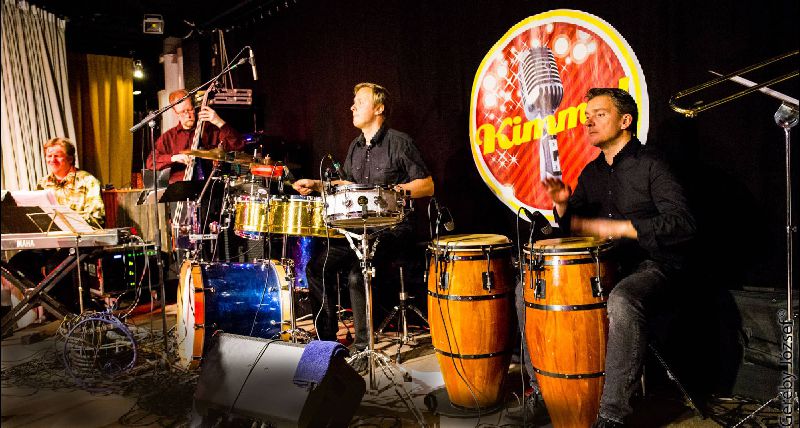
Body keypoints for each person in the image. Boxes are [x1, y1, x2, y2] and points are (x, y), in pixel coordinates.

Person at [541, 88, 696, 427]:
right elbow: (572, 227)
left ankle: (612, 415)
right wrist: (563, 206)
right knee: (531, 294)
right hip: (607, 267)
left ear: (625, 121)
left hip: (654, 265)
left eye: (599, 114)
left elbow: (683, 224)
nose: (588, 122)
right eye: (587, 117)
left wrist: (626, 228)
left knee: (622, 299)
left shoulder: (653, 164)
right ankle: (545, 393)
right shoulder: (590, 173)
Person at [293, 82, 434, 360]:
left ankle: (362, 350)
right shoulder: (355, 147)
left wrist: (390, 192)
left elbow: (427, 185)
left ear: (378, 108)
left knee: (358, 274)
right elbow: (348, 184)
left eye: (359, 102)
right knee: (317, 267)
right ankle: (326, 344)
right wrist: (317, 184)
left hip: (394, 228)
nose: (352, 107)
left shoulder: (399, 142)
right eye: (353, 102)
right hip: (359, 229)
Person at [3, 138, 106, 322]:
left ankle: (68, 314)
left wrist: (70, 219)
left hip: (78, 242)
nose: (52, 160)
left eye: (57, 156)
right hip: (50, 243)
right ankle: (50, 303)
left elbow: (97, 218)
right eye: (49, 156)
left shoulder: (87, 181)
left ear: (70, 158)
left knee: (56, 266)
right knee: (18, 263)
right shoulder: (43, 183)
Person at [146, 89, 245, 184]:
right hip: (180, 189)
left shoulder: (210, 129)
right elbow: (150, 162)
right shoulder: (169, 137)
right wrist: (173, 158)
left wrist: (219, 122)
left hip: (208, 187)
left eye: (190, 110)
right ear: (175, 112)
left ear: (194, 107)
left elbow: (238, 145)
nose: (188, 115)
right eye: (182, 112)